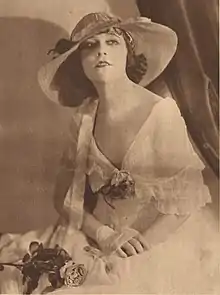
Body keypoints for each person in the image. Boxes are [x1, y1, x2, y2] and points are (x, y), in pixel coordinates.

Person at [0, 12, 219, 294]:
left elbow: (187, 203)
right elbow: (63, 197)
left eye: (112, 41)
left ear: (129, 53)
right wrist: (103, 235)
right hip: (97, 236)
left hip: (158, 239)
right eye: (90, 46)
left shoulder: (161, 113)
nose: (101, 50)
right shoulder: (85, 117)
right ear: (79, 63)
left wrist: (138, 247)